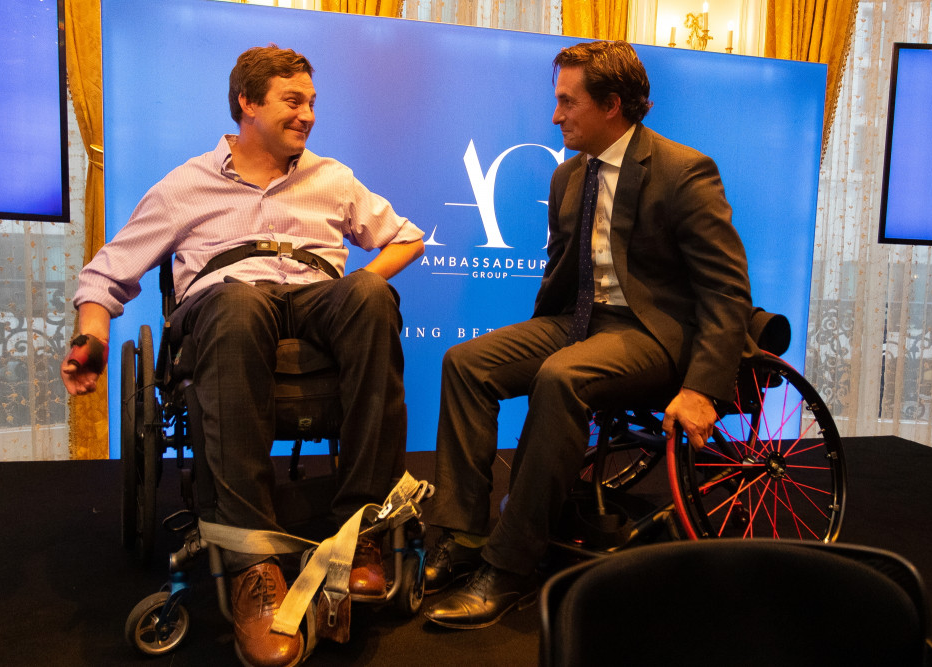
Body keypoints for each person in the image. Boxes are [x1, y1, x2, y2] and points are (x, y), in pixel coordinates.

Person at [61, 45, 424, 667]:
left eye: (312, 102)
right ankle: (255, 564)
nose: (308, 115)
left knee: (370, 294)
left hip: (315, 299)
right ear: (247, 104)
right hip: (226, 304)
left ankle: (358, 532)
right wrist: (91, 335)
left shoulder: (331, 178)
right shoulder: (187, 184)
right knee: (238, 305)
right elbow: (108, 273)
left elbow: (406, 236)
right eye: (293, 101)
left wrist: (365, 276)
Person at [422, 40, 753, 630]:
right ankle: (466, 535)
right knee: (465, 362)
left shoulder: (683, 171)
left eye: (566, 103)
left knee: (561, 376)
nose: (555, 116)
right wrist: (540, 333)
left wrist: (703, 386)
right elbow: (562, 270)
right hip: (576, 321)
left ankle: (510, 564)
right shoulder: (570, 175)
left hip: (653, 332)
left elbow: (726, 289)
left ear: (612, 105)